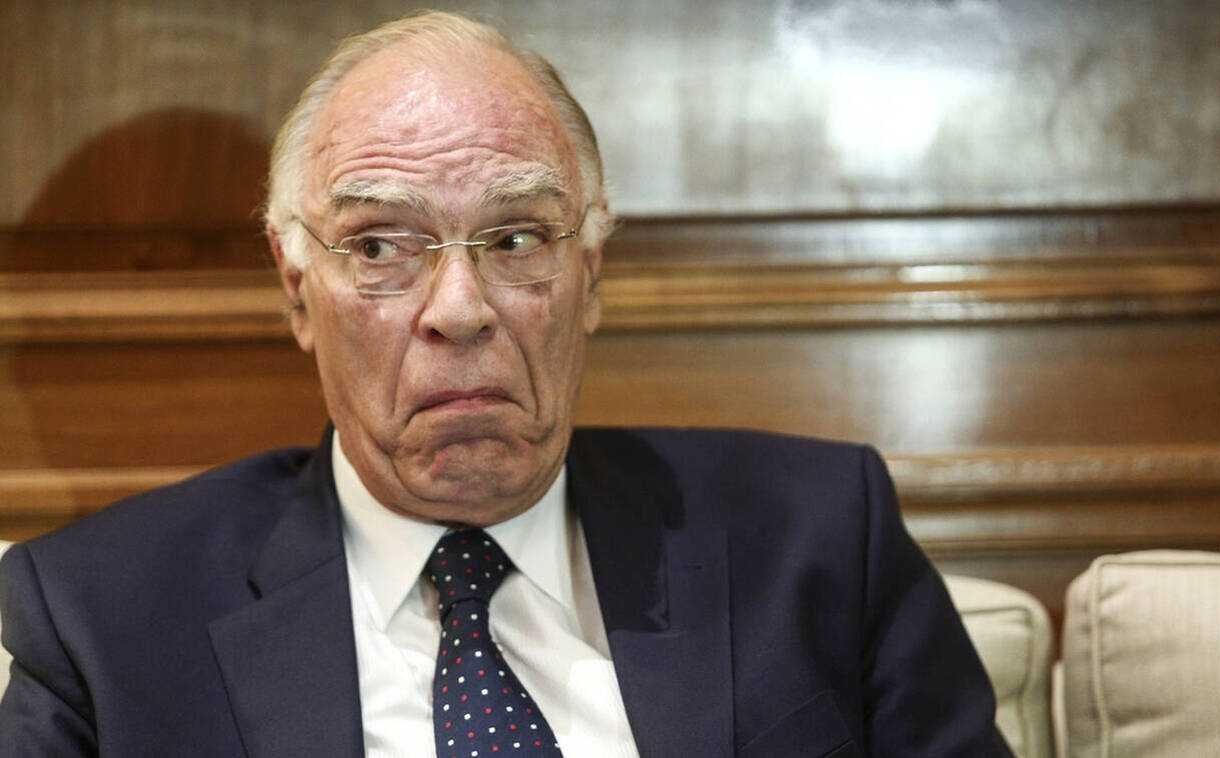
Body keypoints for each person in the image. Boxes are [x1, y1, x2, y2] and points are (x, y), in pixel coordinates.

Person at [0, 11, 1010, 757]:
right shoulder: (103, 619)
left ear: (590, 275)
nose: (459, 308)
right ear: (298, 289)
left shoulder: (820, 538)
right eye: (381, 245)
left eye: (517, 237)